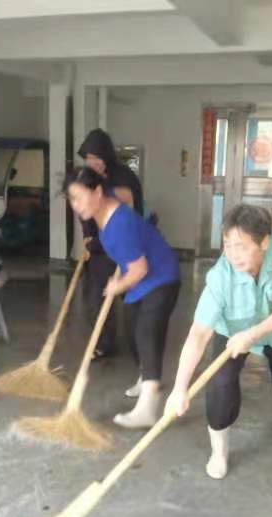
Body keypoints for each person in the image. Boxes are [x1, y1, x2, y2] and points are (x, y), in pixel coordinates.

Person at [164, 204, 272, 480]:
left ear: (265, 242)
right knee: (220, 384)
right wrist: (179, 388)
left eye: (241, 246)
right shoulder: (220, 277)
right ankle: (219, 450)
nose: (233, 255)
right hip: (233, 329)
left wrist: (252, 335)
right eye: (227, 245)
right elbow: (198, 334)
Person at [65, 167, 180, 429]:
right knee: (133, 331)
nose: (75, 205)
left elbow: (140, 268)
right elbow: (125, 197)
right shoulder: (106, 210)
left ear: (96, 192)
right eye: (71, 199)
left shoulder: (118, 224)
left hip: (161, 276)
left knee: (145, 333)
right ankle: (146, 376)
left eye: (78, 197)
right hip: (142, 279)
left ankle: (148, 406)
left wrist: (117, 286)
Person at [77, 128, 145, 362]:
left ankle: (140, 347)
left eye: (96, 158)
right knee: (97, 295)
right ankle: (104, 343)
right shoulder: (87, 178)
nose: (91, 163)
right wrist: (87, 236)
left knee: (133, 299)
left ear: (106, 156)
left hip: (126, 243)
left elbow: (127, 213)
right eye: (88, 159)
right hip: (100, 247)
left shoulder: (125, 178)